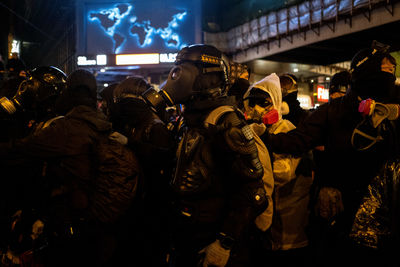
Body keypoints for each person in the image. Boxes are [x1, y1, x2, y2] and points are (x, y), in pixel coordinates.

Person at [260, 40, 399, 266]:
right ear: (365, 72)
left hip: (388, 209)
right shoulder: (332, 112)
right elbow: (298, 140)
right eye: (385, 71)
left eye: (392, 73)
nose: (389, 79)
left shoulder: (394, 108)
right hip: (343, 207)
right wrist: (262, 138)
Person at [141, 44, 268, 267]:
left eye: (184, 69)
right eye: (177, 68)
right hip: (185, 234)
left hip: (210, 237)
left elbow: (254, 192)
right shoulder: (189, 120)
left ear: (209, 77)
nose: (176, 76)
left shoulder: (225, 121)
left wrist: (224, 242)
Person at [0, 69, 118, 266]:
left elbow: (21, 150)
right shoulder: (100, 123)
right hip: (91, 222)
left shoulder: (66, 128)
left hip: (67, 220)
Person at [242, 73, 314, 266]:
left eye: (263, 102)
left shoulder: (286, 129)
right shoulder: (255, 131)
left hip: (289, 229)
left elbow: (283, 174)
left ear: (276, 102)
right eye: (253, 102)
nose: (257, 108)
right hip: (266, 228)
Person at [108, 75, 174, 266]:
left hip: (151, 213)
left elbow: (165, 160)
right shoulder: (132, 124)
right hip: (134, 208)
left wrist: (130, 144)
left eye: (125, 100)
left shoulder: (155, 127)